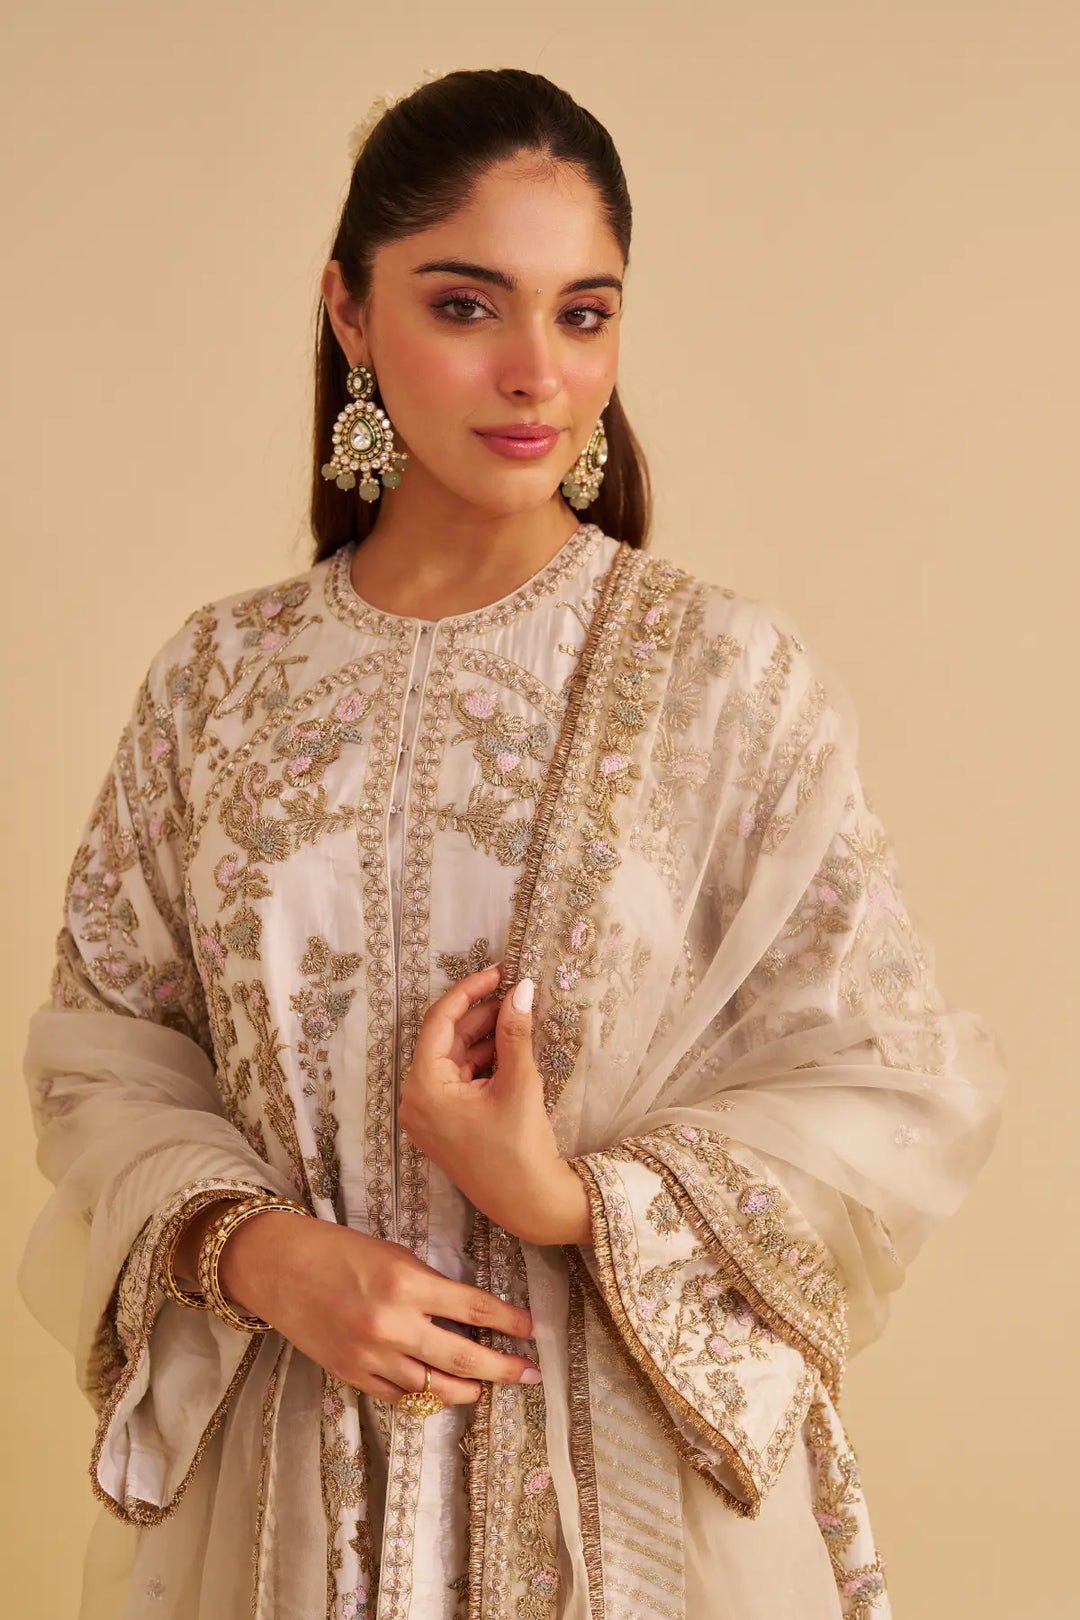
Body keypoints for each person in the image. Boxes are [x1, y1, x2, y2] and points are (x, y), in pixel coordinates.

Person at [18, 66, 1006, 1620]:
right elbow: (106, 1053)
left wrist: (568, 1198)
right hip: (291, 1505)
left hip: (632, 1514)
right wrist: (263, 1253)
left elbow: (891, 1082)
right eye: (469, 306)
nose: (538, 374)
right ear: (350, 314)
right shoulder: (219, 682)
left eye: (586, 314)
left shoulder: (722, 678)